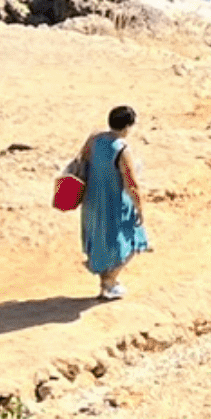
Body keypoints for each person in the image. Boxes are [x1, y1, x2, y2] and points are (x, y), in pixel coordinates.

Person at [75, 105, 151, 300]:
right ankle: (109, 283)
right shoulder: (122, 149)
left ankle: (107, 284)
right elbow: (131, 183)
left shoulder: (94, 139)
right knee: (133, 240)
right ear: (127, 126)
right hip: (114, 202)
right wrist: (139, 208)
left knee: (101, 240)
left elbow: (83, 160)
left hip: (92, 200)